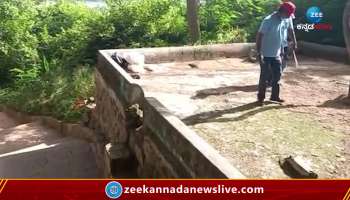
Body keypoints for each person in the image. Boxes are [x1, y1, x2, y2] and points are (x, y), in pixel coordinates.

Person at [256, 2, 296, 105]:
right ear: (283, 11)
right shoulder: (268, 20)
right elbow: (259, 36)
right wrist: (258, 52)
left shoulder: (284, 20)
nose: (288, 17)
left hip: (277, 54)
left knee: (277, 77)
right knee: (264, 77)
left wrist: (282, 50)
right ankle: (260, 98)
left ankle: (274, 96)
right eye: (288, 14)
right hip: (265, 54)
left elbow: (281, 37)